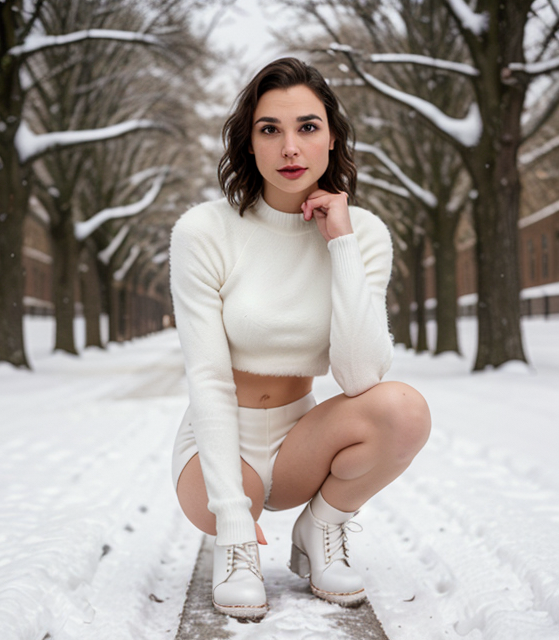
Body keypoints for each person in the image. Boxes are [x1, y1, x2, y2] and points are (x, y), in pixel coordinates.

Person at [169, 57, 431, 619]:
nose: (290, 148)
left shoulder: (364, 234)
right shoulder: (204, 232)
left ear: (331, 138)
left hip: (300, 440)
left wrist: (340, 242)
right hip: (218, 438)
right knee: (238, 504)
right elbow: (207, 376)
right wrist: (235, 519)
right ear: (249, 143)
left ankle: (321, 529)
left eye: (307, 127)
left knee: (403, 409)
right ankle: (235, 548)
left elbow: (360, 377)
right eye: (270, 130)